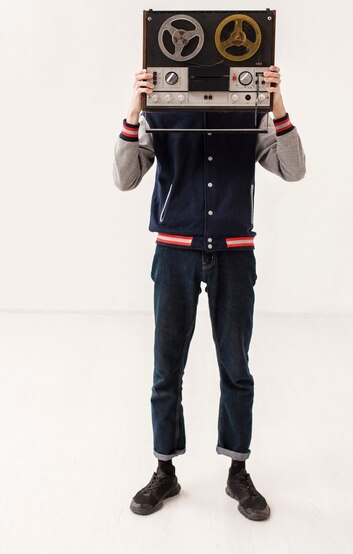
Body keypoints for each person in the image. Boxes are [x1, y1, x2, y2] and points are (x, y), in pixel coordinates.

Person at [112, 66, 306, 521]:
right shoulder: (160, 111)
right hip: (175, 251)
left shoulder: (249, 109)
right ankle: (165, 468)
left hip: (235, 253)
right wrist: (134, 109)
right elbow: (125, 179)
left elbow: (293, 169)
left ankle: (238, 470)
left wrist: (276, 102)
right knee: (166, 368)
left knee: (236, 368)